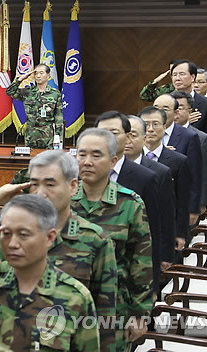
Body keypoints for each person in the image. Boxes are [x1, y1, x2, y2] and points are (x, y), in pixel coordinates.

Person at [0, 150, 117, 352]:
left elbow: (105, 313)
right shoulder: (5, 231)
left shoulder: (94, 240)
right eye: (34, 184)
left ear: (72, 187)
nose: (40, 193)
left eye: (50, 184)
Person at [0, 194, 100, 352]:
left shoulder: (75, 297)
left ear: (49, 237)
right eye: (6, 234)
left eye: (23, 235)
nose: (13, 244)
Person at [70, 128, 154, 352]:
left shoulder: (130, 204)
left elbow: (141, 262)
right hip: (63, 308)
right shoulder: (62, 200)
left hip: (111, 311)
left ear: (113, 161)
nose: (87, 162)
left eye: (96, 155)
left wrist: (140, 315)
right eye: (82, 154)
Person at [93, 111, 162, 295]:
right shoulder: (78, 176)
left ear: (128, 136)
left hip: (125, 284)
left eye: (114, 133)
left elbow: (152, 234)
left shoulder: (146, 178)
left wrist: (151, 288)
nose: (107, 139)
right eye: (102, 133)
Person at [124, 115, 176, 274]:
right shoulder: (105, 170)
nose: (127, 140)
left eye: (133, 135)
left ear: (144, 138)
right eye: (123, 135)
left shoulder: (159, 172)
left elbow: (165, 217)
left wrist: (165, 255)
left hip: (145, 251)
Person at [139, 106, 190, 254]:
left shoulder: (179, 161)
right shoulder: (130, 160)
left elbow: (182, 201)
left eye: (155, 124)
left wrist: (180, 233)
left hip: (165, 227)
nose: (150, 129)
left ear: (165, 126)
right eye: (145, 125)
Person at [154, 93, 202, 225]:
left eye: (164, 109)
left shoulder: (189, 136)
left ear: (175, 113)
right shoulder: (144, 135)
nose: (159, 112)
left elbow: (194, 175)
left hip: (176, 202)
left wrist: (193, 209)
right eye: (156, 107)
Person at [171, 91, 207, 213]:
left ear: (190, 111)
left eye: (180, 108)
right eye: (171, 108)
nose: (175, 112)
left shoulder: (201, 138)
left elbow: (205, 175)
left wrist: (201, 203)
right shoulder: (158, 135)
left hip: (188, 200)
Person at [6, 63, 64, 148]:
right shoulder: (28, 92)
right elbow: (9, 91)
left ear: (48, 75)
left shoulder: (55, 94)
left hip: (48, 137)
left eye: (41, 73)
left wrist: (58, 139)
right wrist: (20, 79)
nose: (38, 76)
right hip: (31, 135)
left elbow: (59, 118)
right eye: (36, 73)